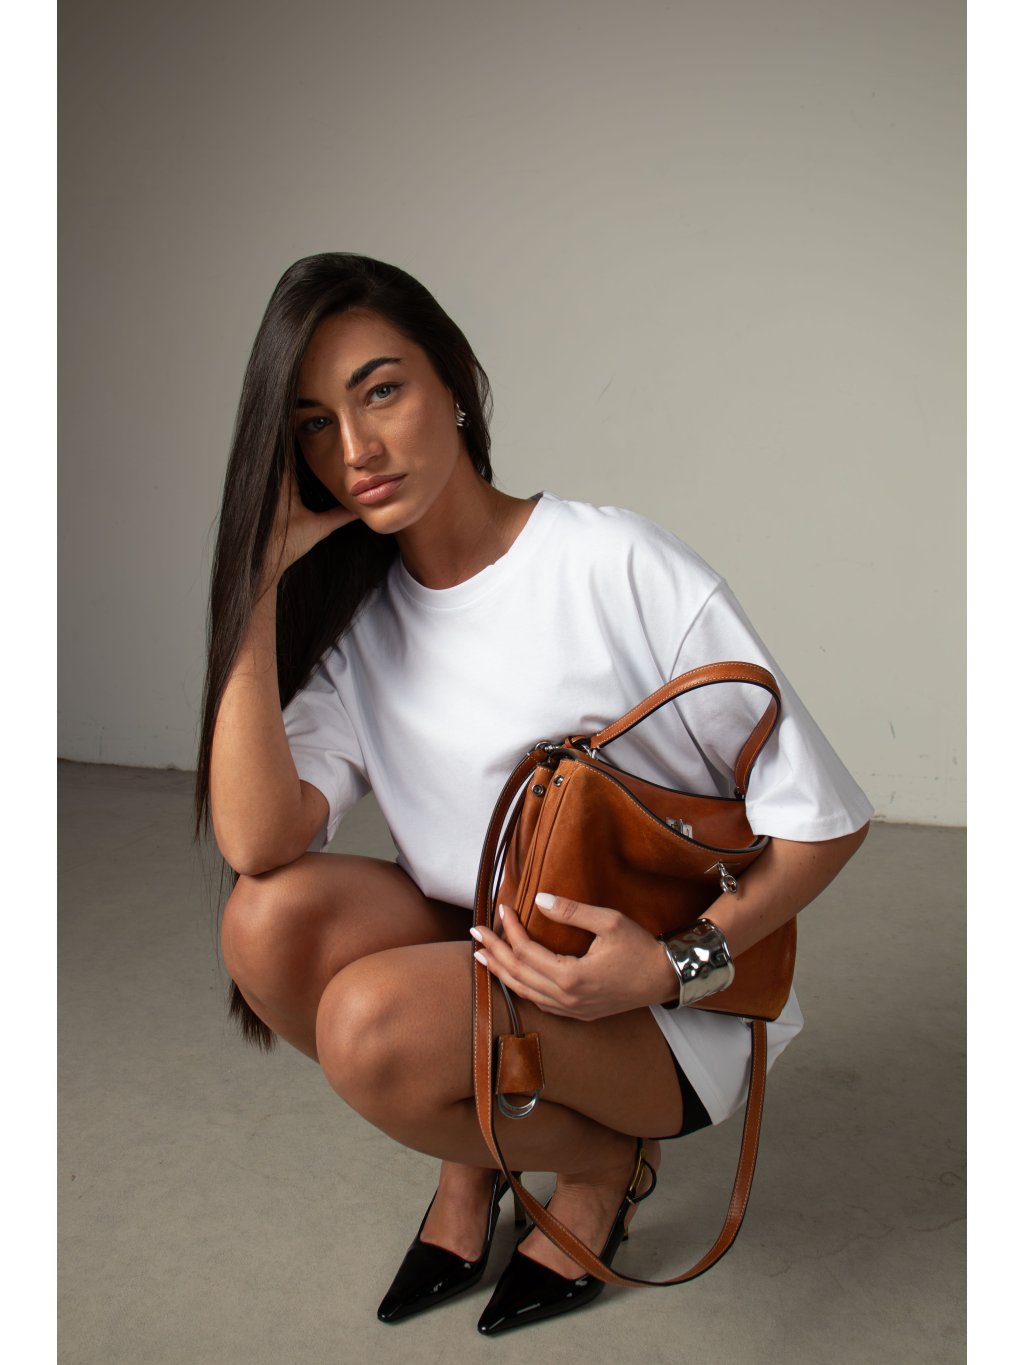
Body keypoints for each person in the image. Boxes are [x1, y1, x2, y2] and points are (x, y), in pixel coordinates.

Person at [195, 252, 872, 1336]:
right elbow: (258, 838)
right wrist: (255, 584)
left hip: (658, 1007)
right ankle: (478, 1154)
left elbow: (824, 823)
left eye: (382, 391)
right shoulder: (365, 622)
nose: (356, 449)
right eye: (316, 423)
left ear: (455, 383)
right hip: (497, 974)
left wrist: (671, 963)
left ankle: (602, 1163)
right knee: (263, 922)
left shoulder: (615, 565)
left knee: (367, 1028)